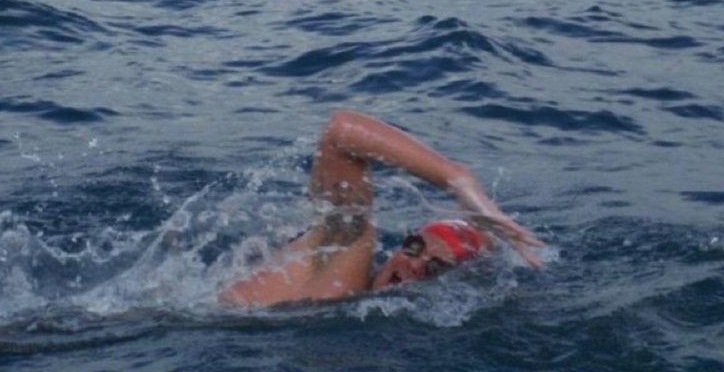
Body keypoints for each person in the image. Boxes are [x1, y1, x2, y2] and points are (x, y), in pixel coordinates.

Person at [220, 110, 543, 308]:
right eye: (414, 248)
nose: (413, 265)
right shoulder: (344, 255)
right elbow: (340, 132)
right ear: (401, 244)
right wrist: (459, 182)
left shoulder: (353, 293)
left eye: (434, 269)